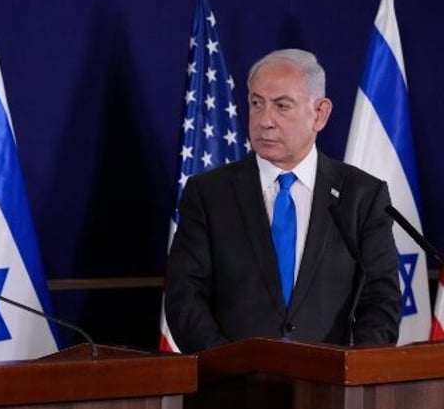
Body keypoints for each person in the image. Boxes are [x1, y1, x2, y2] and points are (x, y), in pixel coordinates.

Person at [165, 48, 401, 353]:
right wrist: (229, 366)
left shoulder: (361, 196)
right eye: (256, 103)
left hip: (332, 390)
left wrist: (354, 375)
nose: (265, 121)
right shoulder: (209, 194)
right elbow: (185, 299)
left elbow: (381, 300)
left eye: (282, 106)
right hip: (231, 389)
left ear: (320, 113)